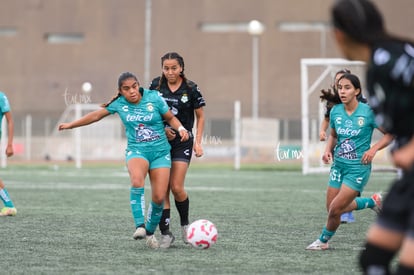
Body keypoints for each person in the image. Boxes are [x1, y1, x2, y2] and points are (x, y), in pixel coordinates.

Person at [58, 72, 189, 249]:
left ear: (138, 85)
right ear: (120, 91)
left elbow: (170, 118)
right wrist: (70, 125)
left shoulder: (154, 97)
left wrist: (181, 129)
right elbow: (96, 116)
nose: (132, 91)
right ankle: (140, 226)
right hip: (137, 151)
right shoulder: (119, 104)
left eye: (134, 86)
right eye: (126, 89)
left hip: (160, 152)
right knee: (137, 181)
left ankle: (150, 232)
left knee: (159, 198)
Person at [331, 0, 414, 273]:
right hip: (408, 182)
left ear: (338, 34)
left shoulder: (392, 60)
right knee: (373, 261)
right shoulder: (376, 65)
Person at [306, 73, 394, 251]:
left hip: (357, 169)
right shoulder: (336, 111)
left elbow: (390, 134)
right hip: (338, 166)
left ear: (357, 91)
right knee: (333, 208)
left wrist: (373, 149)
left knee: (335, 209)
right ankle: (372, 202)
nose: (342, 91)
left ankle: (323, 241)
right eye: (340, 88)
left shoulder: (368, 112)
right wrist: (327, 151)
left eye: (347, 87)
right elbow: (333, 135)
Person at [149, 52, 206, 248]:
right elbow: (150, 113)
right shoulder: (156, 86)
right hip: (159, 142)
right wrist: (163, 130)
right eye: (166, 68)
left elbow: (201, 116)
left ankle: (185, 226)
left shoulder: (190, 88)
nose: (170, 72)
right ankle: (166, 233)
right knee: (162, 188)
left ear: (181, 68)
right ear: (162, 69)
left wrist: (197, 142)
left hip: (183, 142)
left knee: (176, 187)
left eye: (174, 68)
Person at [320, 68, 358, 224]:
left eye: (343, 82)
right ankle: (342, 207)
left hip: (355, 150)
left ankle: (347, 211)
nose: (340, 86)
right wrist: (323, 132)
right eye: (337, 83)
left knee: (350, 181)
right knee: (339, 182)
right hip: (339, 147)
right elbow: (328, 121)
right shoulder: (333, 105)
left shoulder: (360, 103)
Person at [0, 91, 17, 217]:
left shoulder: (1, 97)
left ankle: (9, 205)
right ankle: (9, 205)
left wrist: (10, 144)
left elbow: (10, 120)